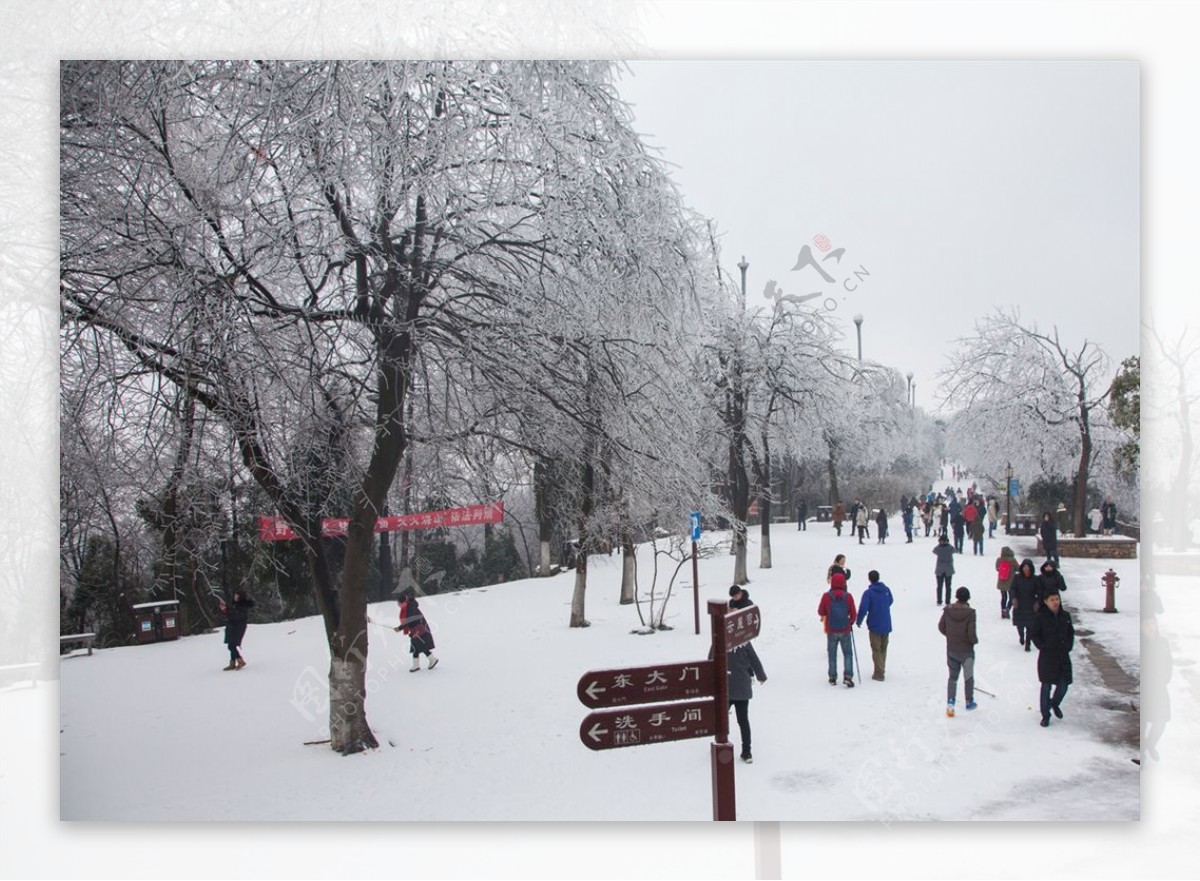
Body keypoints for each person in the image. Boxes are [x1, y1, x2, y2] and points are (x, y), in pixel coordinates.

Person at [1027, 588, 1074, 727]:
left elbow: (1070, 632)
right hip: (1047, 657)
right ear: (1046, 602)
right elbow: (1034, 634)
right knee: (1046, 686)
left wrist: (1068, 645)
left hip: (1063, 655)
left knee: (1064, 685)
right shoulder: (1040, 617)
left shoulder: (1065, 616)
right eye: (1052, 600)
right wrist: (1043, 646)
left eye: (1057, 599)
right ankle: (1045, 715)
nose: (1055, 602)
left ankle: (1054, 703)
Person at [938, 586, 978, 717]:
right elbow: (971, 633)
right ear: (968, 598)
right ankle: (969, 701)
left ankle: (950, 703)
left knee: (952, 677)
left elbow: (941, 626)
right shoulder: (971, 613)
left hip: (952, 649)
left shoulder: (948, 610)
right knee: (968, 677)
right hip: (966, 650)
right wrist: (974, 641)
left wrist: (951, 635)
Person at [724, 641, 767, 763]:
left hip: (725, 688)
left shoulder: (721, 640)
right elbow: (754, 660)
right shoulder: (744, 642)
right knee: (743, 721)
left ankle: (721, 745)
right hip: (742, 688)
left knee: (721, 721)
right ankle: (747, 752)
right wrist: (761, 676)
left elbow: (710, 659)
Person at [818, 572, 857, 687]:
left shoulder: (826, 596)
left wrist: (828, 613)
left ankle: (832, 677)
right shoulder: (848, 596)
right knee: (848, 653)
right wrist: (850, 622)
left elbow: (820, 611)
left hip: (831, 629)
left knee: (832, 654)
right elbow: (854, 613)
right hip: (845, 629)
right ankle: (848, 676)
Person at [856, 570, 893, 681]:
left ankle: (879, 672)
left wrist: (859, 621)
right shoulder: (886, 590)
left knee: (876, 648)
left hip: (875, 624)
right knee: (883, 647)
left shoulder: (869, 593)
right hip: (886, 622)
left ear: (869, 579)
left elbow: (863, 608)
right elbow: (891, 600)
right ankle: (881, 667)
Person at [395, 587, 438, 671]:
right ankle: (429, 660)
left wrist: (399, 628)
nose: (398, 605)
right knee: (418, 647)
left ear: (403, 603)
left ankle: (424, 662)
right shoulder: (408, 606)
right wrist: (400, 628)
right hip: (417, 630)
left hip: (420, 630)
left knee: (418, 647)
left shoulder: (410, 608)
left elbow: (408, 620)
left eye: (399, 603)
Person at [219, 590, 255, 671]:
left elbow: (235, 616)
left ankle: (240, 660)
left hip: (238, 627)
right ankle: (233, 663)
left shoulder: (242, 606)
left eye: (236, 595)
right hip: (232, 627)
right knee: (232, 645)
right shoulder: (235, 605)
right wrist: (225, 609)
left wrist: (225, 611)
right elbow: (232, 613)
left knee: (231, 646)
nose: (235, 597)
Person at [1009, 559, 1040, 651]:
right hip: (1019, 604)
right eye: (1024, 567)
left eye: (1028, 567)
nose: (1026, 569)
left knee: (1030, 626)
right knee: (1020, 624)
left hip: (1030, 604)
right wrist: (1013, 598)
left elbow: (1039, 592)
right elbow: (1012, 589)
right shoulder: (1017, 577)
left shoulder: (1035, 579)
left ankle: (1028, 643)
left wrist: (1037, 602)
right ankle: (1021, 636)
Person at [932, 534, 958, 606]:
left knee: (939, 586)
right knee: (948, 586)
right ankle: (947, 601)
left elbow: (934, 551)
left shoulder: (938, 549)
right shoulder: (950, 548)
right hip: (948, 570)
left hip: (940, 570)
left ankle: (939, 601)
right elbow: (954, 550)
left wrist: (939, 545)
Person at [994, 545, 1018, 619]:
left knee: (1003, 597)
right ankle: (1008, 608)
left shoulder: (999, 559)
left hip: (1002, 581)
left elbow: (997, 568)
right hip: (1011, 581)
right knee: (1011, 597)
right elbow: (1018, 568)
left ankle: (1003, 610)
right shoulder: (1013, 560)